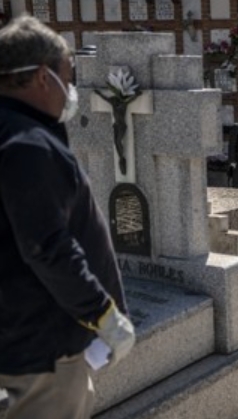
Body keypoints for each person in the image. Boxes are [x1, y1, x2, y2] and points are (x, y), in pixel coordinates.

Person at [0, 16, 135, 419]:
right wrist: (101, 313)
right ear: (43, 76)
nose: (71, 88)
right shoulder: (27, 144)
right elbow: (46, 245)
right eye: (68, 75)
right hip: (45, 350)